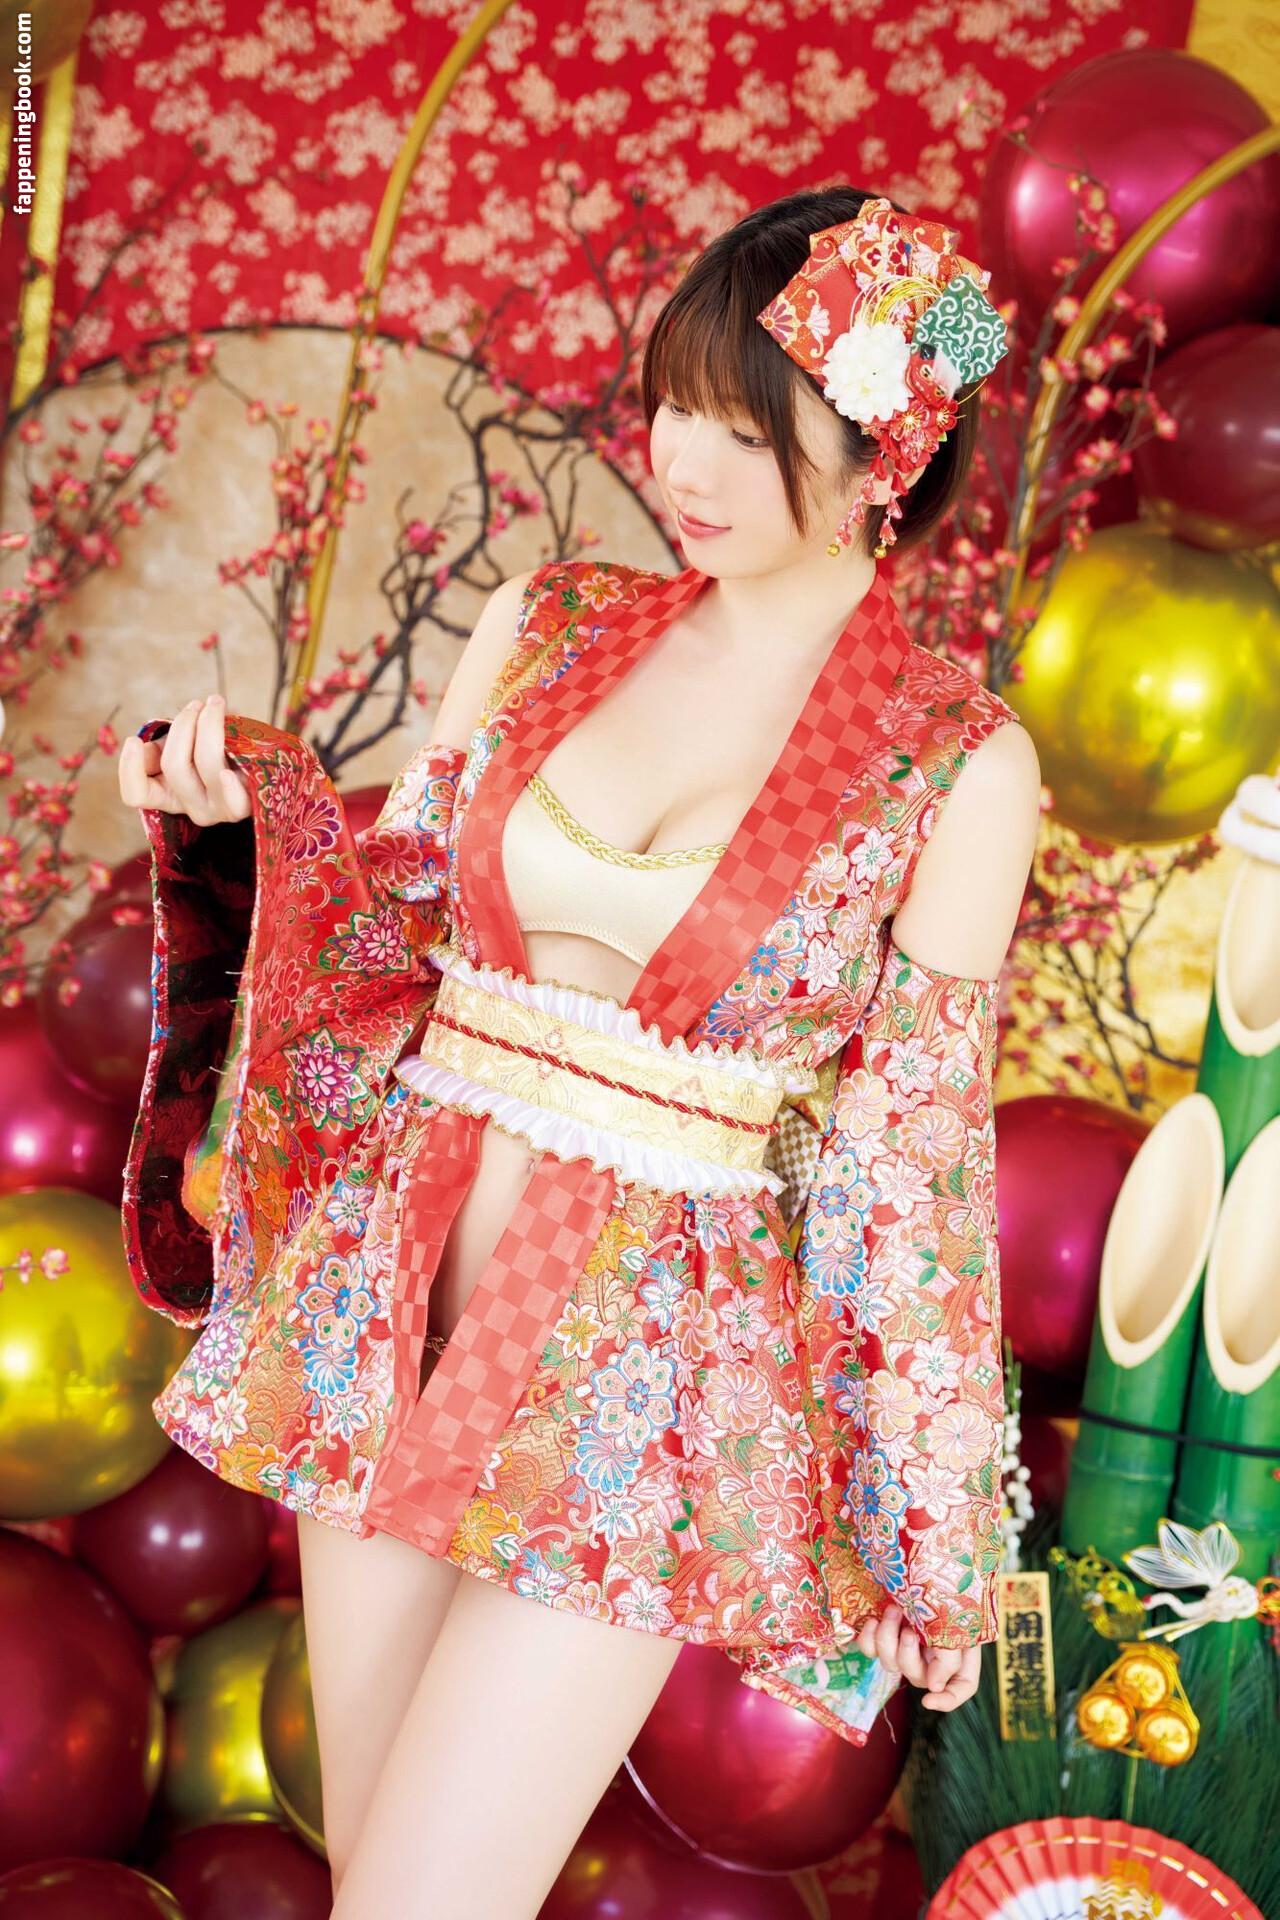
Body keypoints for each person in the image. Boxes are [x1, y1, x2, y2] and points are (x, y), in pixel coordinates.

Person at [117, 186, 1039, 1917]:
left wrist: (935, 1533)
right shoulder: (545, 623)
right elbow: (391, 934)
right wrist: (249, 812)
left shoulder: (955, 763)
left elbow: (911, 1164)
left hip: (647, 1378)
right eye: (674, 403)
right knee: (377, 1886)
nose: (681, 460)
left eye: (745, 430)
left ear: (884, 453)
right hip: (394, 1304)